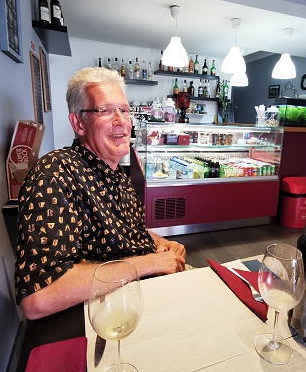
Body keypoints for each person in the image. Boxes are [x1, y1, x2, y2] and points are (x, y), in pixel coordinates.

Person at [15, 67, 186, 320]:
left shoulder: (118, 175)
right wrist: (150, 262)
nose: (120, 121)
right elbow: (38, 298)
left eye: (124, 110)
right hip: (99, 315)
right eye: (105, 111)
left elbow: (125, 232)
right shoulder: (55, 174)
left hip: (138, 294)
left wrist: (158, 243)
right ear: (78, 123)